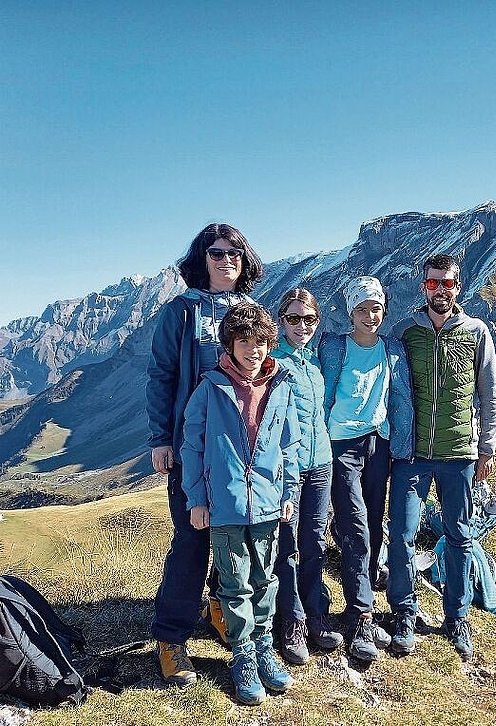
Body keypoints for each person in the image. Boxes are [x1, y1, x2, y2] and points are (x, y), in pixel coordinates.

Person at [146, 223, 263, 686]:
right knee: (192, 540)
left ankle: (218, 603)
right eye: (216, 253)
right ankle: (172, 638)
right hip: (192, 446)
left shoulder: (252, 311)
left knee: (234, 534)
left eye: (234, 252)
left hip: (241, 447)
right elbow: (160, 376)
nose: (225, 259)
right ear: (202, 260)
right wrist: (160, 438)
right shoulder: (181, 312)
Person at [181, 302, 300, 705]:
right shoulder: (210, 388)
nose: (253, 350)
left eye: (261, 341)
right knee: (234, 583)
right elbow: (191, 445)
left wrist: (289, 495)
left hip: (268, 504)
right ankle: (243, 653)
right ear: (229, 345)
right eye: (244, 341)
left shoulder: (281, 387)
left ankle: (265, 647)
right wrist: (197, 498)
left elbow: (291, 446)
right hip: (225, 504)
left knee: (267, 578)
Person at [386, 254, 496, 661]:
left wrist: (487, 446)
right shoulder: (405, 333)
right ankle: (403, 611)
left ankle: (457, 616)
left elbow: (489, 391)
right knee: (400, 534)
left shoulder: (476, 332)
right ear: (424, 287)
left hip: (461, 454)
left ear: (459, 286)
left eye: (447, 283)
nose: (440, 290)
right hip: (412, 454)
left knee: (460, 537)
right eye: (433, 283)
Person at [318, 276, 414, 662]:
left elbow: (401, 397)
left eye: (375, 308)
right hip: (341, 445)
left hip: (380, 443)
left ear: (384, 310)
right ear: (350, 312)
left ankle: (365, 591)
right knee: (354, 525)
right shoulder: (333, 347)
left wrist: (403, 445)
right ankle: (360, 615)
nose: (369, 316)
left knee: (374, 523)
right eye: (362, 309)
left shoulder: (392, 349)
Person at [270, 288, 343, 665]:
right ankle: (292, 621)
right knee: (288, 545)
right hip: (289, 468)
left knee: (314, 540)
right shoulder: (273, 363)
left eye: (309, 319)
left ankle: (316, 613)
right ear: (281, 321)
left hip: (322, 462)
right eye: (294, 318)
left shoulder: (314, 363)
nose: (302, 326)